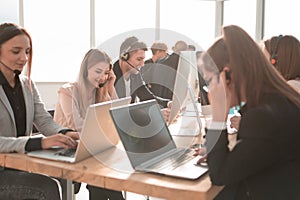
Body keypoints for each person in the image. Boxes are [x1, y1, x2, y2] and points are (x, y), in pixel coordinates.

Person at [199, 25, 300, 199]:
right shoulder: (276, 99)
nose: (210, 91)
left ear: (227, 75)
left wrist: (218, 115)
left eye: (210, 81)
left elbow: (220, 176)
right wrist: (217, 152)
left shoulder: (263, 116)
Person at [0, 22, 79, 200]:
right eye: (16, 51)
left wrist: (67, 133)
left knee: (63, 175)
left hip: (18, 165)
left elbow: (43, 120)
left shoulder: (27, 84)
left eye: (27, 51)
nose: (24, 58)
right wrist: (38, 143)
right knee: (46, 187)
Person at [54, 48, 124, 200]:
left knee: (103, 177)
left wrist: (111, 86)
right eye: (98, 71)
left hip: (91, 148)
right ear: (86, 70)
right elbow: (76, 125)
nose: (102, 77)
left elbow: (119, 115)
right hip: (66, 149)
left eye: (106, 73)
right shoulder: (67, 91)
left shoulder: (100, 93)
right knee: (104, 177)